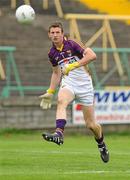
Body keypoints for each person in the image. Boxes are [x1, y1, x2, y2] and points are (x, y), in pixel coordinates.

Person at [39, 22, 109, 163]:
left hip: (85, 86)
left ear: (62, 33)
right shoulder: (52, 53)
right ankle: (59, 133)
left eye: (57, 32)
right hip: (69, 84)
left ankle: (101, 144)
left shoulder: (72, 44)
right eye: (52, 33)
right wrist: (50, 91)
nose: (55, 35)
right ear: (49, 35)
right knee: (61, 101)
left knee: (91, 125)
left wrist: (73, 65)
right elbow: (56, 73)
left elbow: (92, 55)